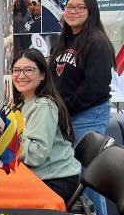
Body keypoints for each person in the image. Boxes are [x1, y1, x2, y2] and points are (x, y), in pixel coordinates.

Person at [49, 0, 116, 215]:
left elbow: (94, 87)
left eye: (80, 7)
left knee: (87, 177)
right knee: (70, 172)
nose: (73, 11)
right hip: (66, 113)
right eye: (69, 7)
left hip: (88, 113)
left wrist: (64, 109)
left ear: (91, 12)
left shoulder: (97, 41)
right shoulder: (64, 41)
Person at [12, 48, 81, 203]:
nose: (21, 75)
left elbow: (36, 156)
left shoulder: (44, 106)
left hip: (56, 181)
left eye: (28, 70)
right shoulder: (23, 103)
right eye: (16, 70)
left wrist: (9, 134)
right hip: (39, 175)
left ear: (42, 74)